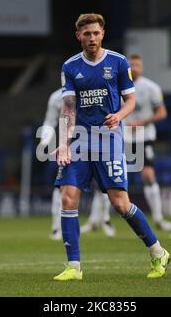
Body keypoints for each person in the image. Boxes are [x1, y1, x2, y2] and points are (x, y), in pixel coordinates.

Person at [52, 13, 171, 281]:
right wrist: (63, 143)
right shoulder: (70, 67)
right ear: (78, 37)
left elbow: (130, 99)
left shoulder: (118, 62)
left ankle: (157, 252)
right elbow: (69, 108)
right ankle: (74, 267)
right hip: (81, 139)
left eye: (96, 33)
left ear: (102, 34)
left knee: (120, 203)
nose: (92, 38)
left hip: (109, 140)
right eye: (86, 34)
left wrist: (119, 115)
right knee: (68, 197)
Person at [39, 88, 115, 240]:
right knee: (62, 186)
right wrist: (44, 141)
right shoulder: (55, 97)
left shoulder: (94, 91)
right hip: (70, 146)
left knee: (103, 186)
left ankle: (104, 220)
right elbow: (50, 120)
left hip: (97, 143)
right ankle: (56, 227)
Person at [124, 54, 171, 231]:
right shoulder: (117, 86)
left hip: (144, 137)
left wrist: (141, 122)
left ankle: (159, 218)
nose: (135, 68)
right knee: (110, 177)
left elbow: (162, 113)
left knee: (147, 175)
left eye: (137, 65)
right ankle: (100, 220)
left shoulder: (151, 87)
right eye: (131, 65)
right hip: (122, 136)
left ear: (142, 67)